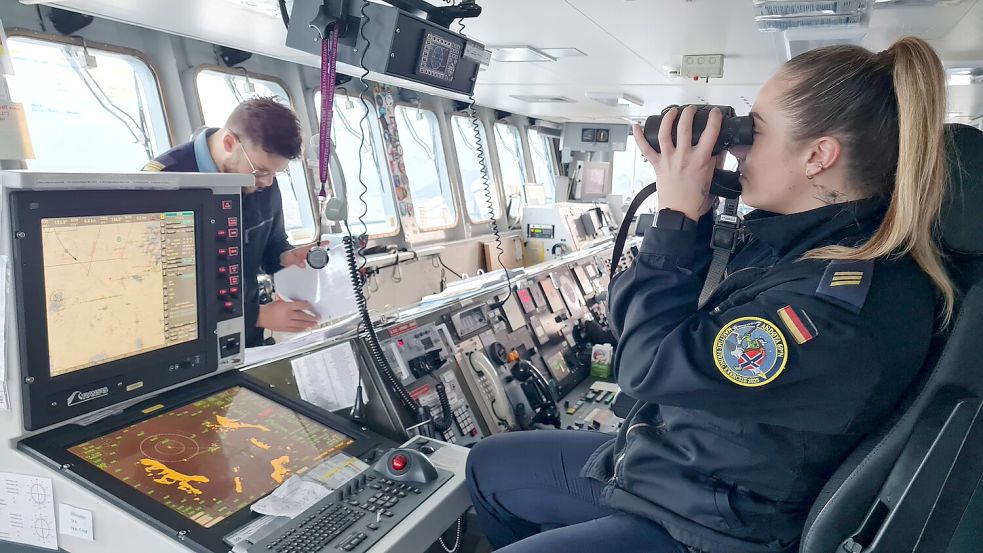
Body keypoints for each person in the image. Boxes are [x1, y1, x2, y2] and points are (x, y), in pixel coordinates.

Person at [465, 36, 953, 553]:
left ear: (818, 155)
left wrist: (674, 217)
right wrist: (694, 205)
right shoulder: (807, 246)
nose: (737, 145)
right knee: (488, 465)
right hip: (683, 467)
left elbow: (649, 365)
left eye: (753, 131)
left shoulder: (839, 308)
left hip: (716, 524)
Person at [143, 97, 321, 347]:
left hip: (245, 340)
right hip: (187, 346)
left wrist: (284, 257)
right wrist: (256, 315)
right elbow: (159, 291)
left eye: (275, 173)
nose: (267, 183)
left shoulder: (260, 177)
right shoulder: (163, 184)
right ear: (229, 143)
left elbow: (272, 243)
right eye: (261, 171)